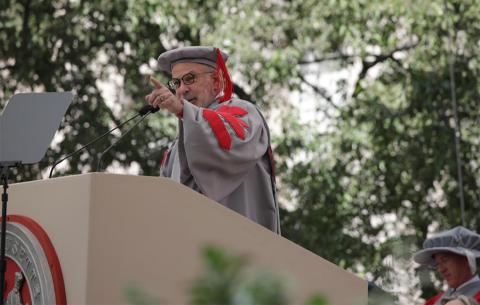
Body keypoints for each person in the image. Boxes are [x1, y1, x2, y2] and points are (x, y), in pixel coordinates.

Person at [145, 46, 280, 234]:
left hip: (239, 248)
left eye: (190, 79)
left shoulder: (242, 113)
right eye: (176, 83)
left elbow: (225, 139)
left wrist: (183, 111)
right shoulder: (175, 148)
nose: (182, 90)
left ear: (216, 81)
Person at [413, 226, 480, 305]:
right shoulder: (432, 302)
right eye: (437, 264)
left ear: (466, 258)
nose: (441, 269)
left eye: (445, 260)